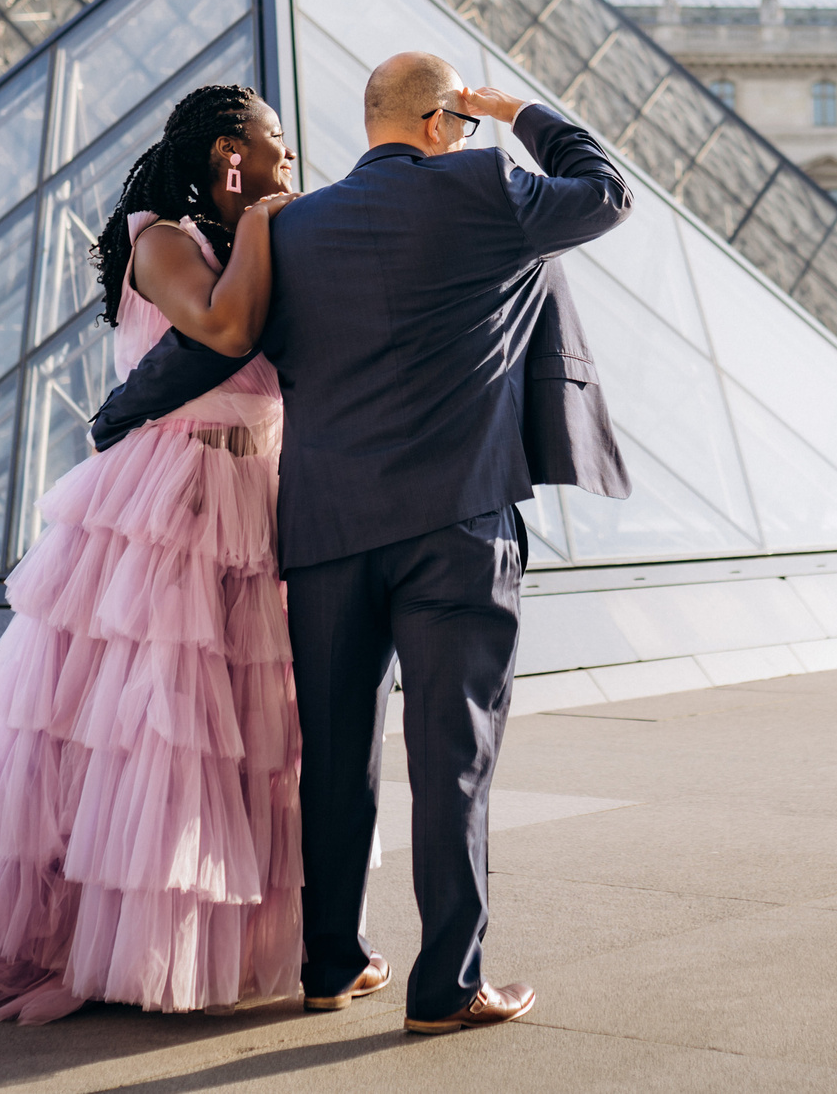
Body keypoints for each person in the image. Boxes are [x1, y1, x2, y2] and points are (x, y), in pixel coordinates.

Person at [93, 52, 632, 1035]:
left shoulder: (294, 224)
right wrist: (510, 109)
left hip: (328, 534)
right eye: (459, 120)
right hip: (456, 528)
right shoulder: (482, 186)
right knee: (450, 761)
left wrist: (115, 413)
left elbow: (217, 343)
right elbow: (604, 191)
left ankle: (330, 964)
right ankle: (445, 985)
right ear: (438, 124)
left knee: (333, 759)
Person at [0, 85, 302, 1022]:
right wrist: (267, 228)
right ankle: (90, 941)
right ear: (226, 152)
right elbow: (226, 330)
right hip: (173, 496)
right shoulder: (162, 238)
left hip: (252, 493)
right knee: (151, 721)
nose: (289, 155)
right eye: (273, 139)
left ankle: (221, 944)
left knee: (240, 727)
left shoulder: (249, 229)